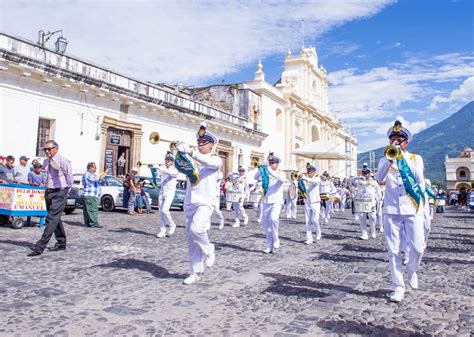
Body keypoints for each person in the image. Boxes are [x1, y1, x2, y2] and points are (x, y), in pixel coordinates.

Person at [375, 120, 425, 303]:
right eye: (392, 140)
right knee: (393, 250)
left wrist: (401, 158)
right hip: (391, 210)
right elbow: (379, 178)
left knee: (418, 247)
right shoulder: (385, 160)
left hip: (412, 208)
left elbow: (419, 178)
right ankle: (398, 287)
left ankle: (412, 270)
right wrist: (390, 159)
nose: (395, 143)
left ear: (406, 142)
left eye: (399, 140)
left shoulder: (415, 158)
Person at [176, 122, 222, 285]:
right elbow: (181, 168)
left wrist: (190, 151)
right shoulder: (193, 159)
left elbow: (206, 162)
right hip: (190, 201)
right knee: (191, 238)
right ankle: (196, 272)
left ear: (211, 145)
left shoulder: (215, 160)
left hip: (205, 202)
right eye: (199, 143)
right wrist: (179, 153)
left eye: (204, 143)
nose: (201, 145)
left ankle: (209, 248)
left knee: (197, 229)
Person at [28, 140, 73, 256]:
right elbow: (47, 177)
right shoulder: (46, 161)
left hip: (60, 191)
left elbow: (69, 177)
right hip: (49, 192)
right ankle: (61, 242)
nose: (46, 151)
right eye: (45, 149)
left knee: (51, 219)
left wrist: (65, 190)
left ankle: (40, 246)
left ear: (56, 149)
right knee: (55, 218)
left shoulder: (63, 160)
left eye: (49, 149)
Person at [254, 152, 287, 253]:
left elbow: (281, 179)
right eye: (270, 163)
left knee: (274, 219)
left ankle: (276, 238)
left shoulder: (281, 173)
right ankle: (269, 246)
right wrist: (261, 169)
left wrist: (268, 170)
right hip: (266, 201)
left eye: (273, 163)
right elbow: (256, 177)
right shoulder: (266, 172)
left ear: (277, 164)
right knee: (267, 225)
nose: (272, 165)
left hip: (277, 201)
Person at [155, 152, 178, 238]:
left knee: (165, 210)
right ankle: (162, 230)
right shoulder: (164, 169)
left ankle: (172, 225)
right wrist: (156, 171)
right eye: (166, 160)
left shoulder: (174, 170)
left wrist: (160, 169)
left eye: (168, 160)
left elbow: (170, 173)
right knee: (160, 212)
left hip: (170, 193)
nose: (166, 162)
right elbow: (159, 176)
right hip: (162, 192)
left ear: (172, 161)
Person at [355, 166, 382, 240]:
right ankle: (364, 233)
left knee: (372, 217)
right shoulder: (359, 182)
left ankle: (373, 231)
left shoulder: (373, 182)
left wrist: (378, 200)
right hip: (362, 201)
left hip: (371, 201)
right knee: (362, 217)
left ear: (369, 173)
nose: (365, 174)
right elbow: (357, 191)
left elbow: (378, 191)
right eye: (364, 173)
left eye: (366, 173)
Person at [300, 163, 321, 244]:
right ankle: (309, 238)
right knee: (307, 221)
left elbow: (314, 182)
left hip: (315, 202)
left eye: (311, 172)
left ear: (314, 172)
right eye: (308, 172)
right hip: (307, 202)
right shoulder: (306, 180)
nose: (309, 174)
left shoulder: (317, 178)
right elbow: (302, 188)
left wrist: (305, 178)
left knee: (315, 220)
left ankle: (318, 232)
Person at [82, 162, 105, 228]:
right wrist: (105, 173)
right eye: (94, 167)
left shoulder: (91, 174)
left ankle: (88, 223)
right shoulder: (88, 174)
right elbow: (98, 179)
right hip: (91, 195)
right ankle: (93, 223)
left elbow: (99, 180)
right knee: (93, 209)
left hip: (91, 195)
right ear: (90, 167)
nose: (96, 168)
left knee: (88, 210)